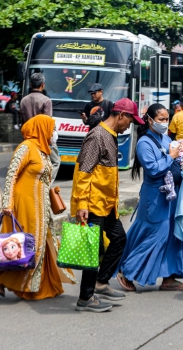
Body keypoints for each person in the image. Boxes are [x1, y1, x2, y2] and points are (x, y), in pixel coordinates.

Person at [0, 115, 76, 299]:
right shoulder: (25, 147)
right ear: (41, 128)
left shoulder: (43, 149)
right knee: (24, 246)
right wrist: (7, 203)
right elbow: (11, 175)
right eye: (51, 128)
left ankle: (43, 284)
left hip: (41, 204)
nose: (53, 133)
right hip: (24, 204)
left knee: (43, 241)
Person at [71, 98, 144, 313]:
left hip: (107, 205)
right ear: (121, 115)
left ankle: (101, 282)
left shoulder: (111, 135)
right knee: (93, 250)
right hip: (93, 204)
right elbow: (84, 172)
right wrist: (82, 203)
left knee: (119, 239)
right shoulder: (97, 136)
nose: (129, 126)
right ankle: (85, 298)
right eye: (129, 121)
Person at [116, 103, 183, 292]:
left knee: (173, 235)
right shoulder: (144, 143)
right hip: (154, 196)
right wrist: (170, 155)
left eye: (166, 119)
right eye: (161, 119)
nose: (165, 123)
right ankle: (127, 271)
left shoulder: (165, 137)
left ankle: (170, 277)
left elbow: (178, 158)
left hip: (171, 195)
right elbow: (153, 169)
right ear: (150, 120)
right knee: (156, 235)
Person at [20, 73, 60, 183]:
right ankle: (46, 184)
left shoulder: (23, 100)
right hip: (42, 139)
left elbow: (22, 122)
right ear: (42, 85)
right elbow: (47, 123)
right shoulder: (46, 100)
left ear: (30, 84)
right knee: (55, 161)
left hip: (28, 139)